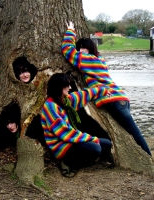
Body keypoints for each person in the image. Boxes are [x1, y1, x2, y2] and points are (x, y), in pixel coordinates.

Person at [61, 21, 152, 156]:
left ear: (90, 49)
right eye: (78, 47)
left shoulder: (87, 60)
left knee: (134, 133)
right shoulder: (99, 60)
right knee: (131, 132)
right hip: (120, 99)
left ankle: (149, 159)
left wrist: (70, 31)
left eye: (83, 47)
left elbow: (67, 50)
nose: (80, 50)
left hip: (113, 100)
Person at [41, 73, 114, 177]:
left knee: (107, 143)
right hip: (61, 146)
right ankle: (66, 163)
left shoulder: (65, 100)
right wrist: (91, 138)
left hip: (71, 141)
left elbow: (84, 95)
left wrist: (103, 90)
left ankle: (92, 157)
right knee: (95, 148)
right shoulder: (50, 107)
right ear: (58, 87)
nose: (70, 87)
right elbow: (65, 133)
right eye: (67, 85)